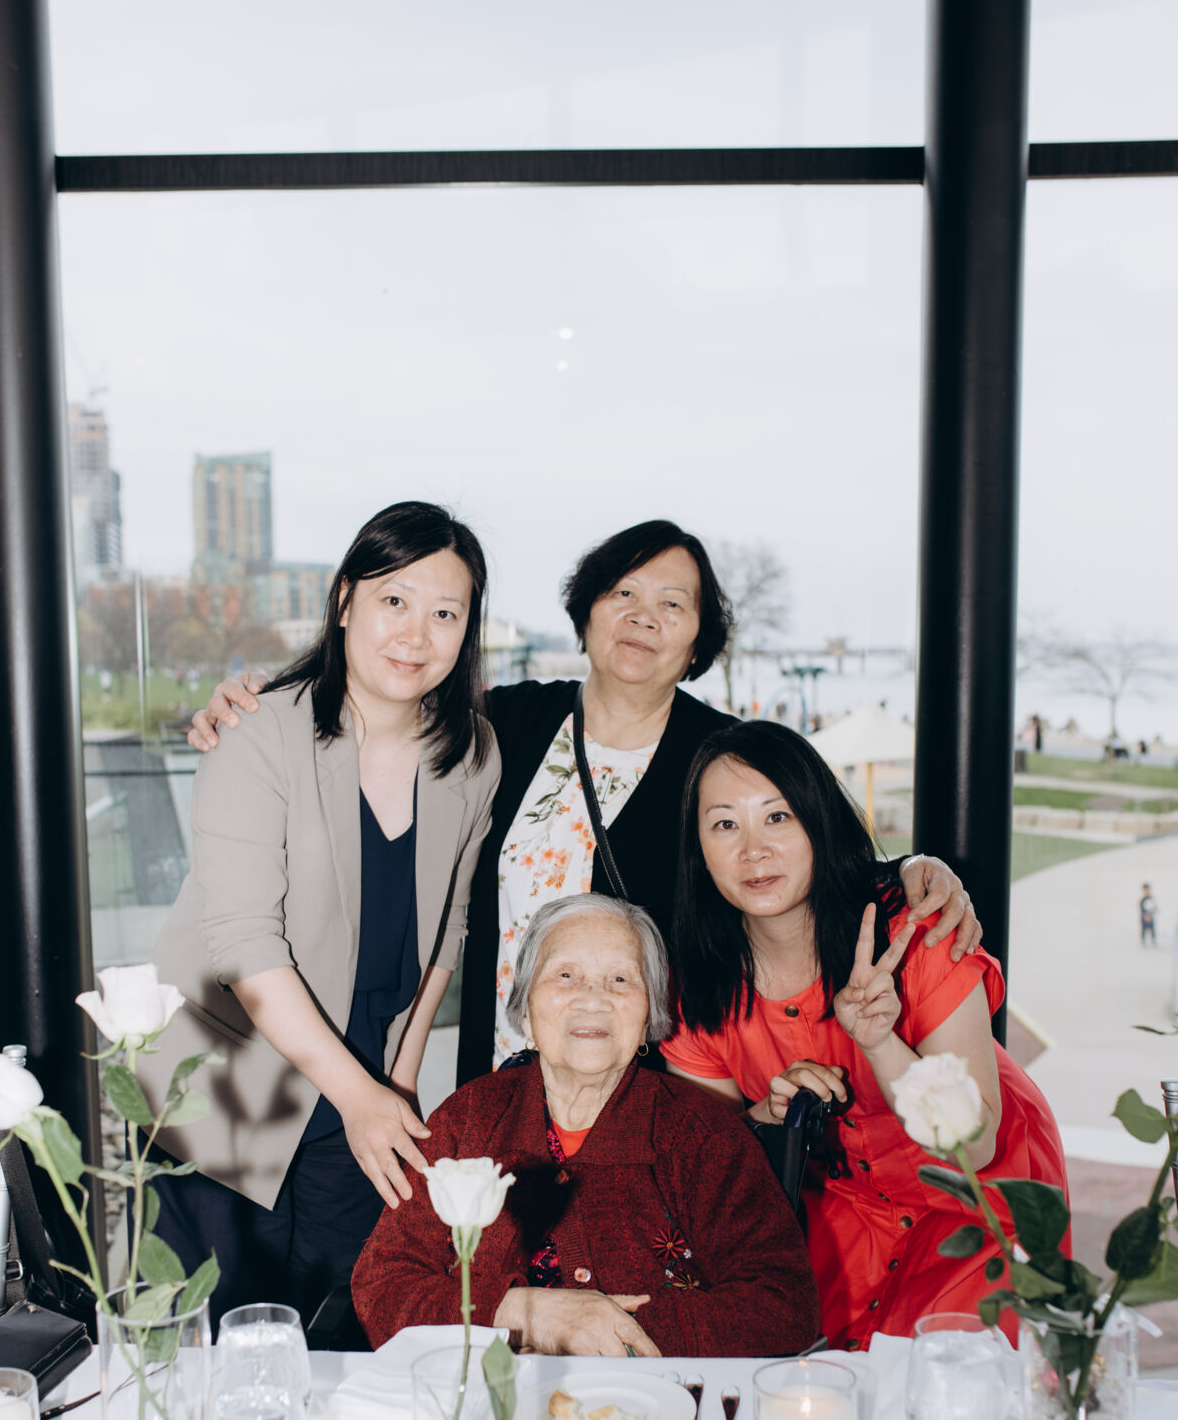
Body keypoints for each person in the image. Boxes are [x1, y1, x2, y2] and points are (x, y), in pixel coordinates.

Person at [191, 520, 983, 1085]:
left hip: (645, 1087)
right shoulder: (504, 722)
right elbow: (378, 704)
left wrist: (918, 867)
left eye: (673, 605)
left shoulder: (724, 756)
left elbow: (807, 853)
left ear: (698, 640)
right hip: (498, 1073)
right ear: (587, 610)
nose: (643, 616)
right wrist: (253, 696)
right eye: (623, 591)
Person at [137, 501, 501, 1343]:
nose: (416, 634)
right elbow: (245, 944)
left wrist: (397, 1080)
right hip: (229, 1074)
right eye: (394, 600)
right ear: (344, 601)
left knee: (352, 1324)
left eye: (445, 613)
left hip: (365, 1075)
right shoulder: (259, 730)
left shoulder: (473, 754)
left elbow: (450, 926)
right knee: (219, 1337)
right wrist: (362, 1095)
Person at [661, 720, 1068, 1352]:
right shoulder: (697, 990)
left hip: (976, 1194)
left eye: (777, 817)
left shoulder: (917, 935)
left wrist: (881, 1043)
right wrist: (765, 1115)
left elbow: (977, 1141)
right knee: (807, 1374)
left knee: (938, 1370)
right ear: (698, 848)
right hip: (841, 1208)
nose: (753, 850)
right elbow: (706, 1163)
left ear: (819, 821)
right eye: (724, 825)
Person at [352, 893, 820, 1357]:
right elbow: (382, 1284)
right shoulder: (469, 1117)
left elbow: (784, 1305)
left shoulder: (702, 1135)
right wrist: (523, 1315)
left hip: (649, 1398)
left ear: (649, 1014)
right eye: (565, 975)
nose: (593, 998)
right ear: (526, 1009)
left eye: (620, 979)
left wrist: (611, 1331)